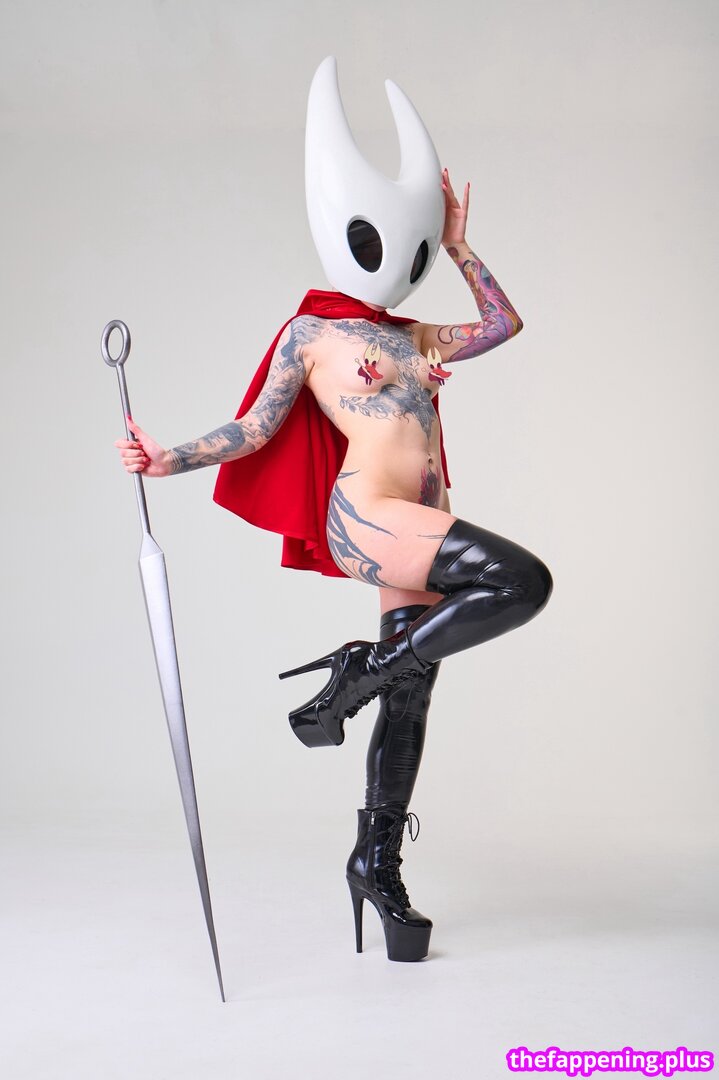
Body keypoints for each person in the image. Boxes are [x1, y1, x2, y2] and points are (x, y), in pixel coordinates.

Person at [114, 56, 553, 965]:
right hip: (368, 518)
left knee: (412, 694)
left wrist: (460, 244)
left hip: (420, 516)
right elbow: (254, 427)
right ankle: (358, 669)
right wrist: (167, 458)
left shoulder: (412, 334)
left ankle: (374, 863)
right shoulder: (311, 334)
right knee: (521, 581)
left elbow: (502, 325)